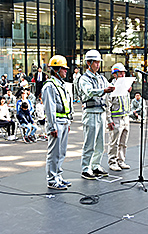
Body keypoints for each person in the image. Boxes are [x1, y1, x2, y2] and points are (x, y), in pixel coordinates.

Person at [77, 49, 115, 179]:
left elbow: (109, 87)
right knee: (90, 142)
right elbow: (89, 92)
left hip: (101, 112)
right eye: (96, 62)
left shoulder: (101, 78)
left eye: (99, 62)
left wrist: (118, 86)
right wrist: (104, 90)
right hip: (91, 112)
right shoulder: (84, 79)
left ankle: (95, 165)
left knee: (100, 142)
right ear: (89, 63)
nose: (98, 65)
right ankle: (85, 168)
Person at [42, 55, 73, 190]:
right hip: (57, 123)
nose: (66, 71)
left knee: (61, 152)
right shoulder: (50, 86)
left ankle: (58, 176)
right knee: (54, 153)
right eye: (64, 69)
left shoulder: (61, 85)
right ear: (57, 69)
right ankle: (52, 179)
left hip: (64, 121)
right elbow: (50, 109)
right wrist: (52, 126)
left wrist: (68, 121)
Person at [106, 63, 132, 171]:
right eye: (121, 73)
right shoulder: (111, 87)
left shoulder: (125, 86)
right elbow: (107, 105)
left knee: (123, 142)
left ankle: (121, 160)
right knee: (114, 142)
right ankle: (112, 162)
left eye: (124, 73)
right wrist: (109, 120)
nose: (123, 75)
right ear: (115, 74)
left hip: (125, 117)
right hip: (115, 118)